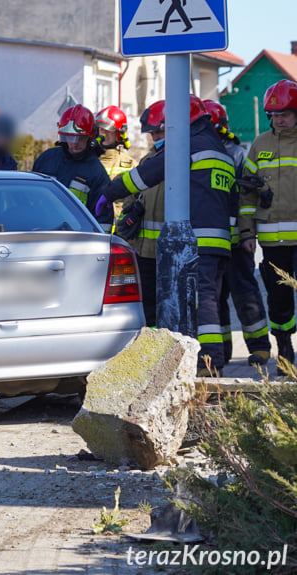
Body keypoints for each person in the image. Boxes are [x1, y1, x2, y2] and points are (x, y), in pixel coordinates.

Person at [102, 95, 234, 374]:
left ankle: (208, 365)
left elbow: (144, 176)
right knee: (211, 301)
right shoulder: (219, 149)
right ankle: (214, 362)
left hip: (197, 239)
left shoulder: (187, 146)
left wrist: (109, 192)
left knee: (203, 301)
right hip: (220, 239)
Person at [204, 100, 271, 366]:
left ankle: (260, 346)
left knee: (245, 293)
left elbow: (245, 200)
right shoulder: (195, 154)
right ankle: (222, 352)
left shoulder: (237, 154)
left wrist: (246, 235)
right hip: (211, 242)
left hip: (234, 242)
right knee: (216, 298)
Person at [240, 79, 297, 370]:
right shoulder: (260, 144)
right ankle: (284, 348)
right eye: (273, 114)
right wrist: (247, 232)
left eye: (284, 113)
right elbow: (246, 192)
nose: (278, 119)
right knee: (278, 300)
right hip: (272, 242)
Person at [114, 100, 166, 326]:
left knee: (170, 305)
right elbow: (130, 196)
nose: (155, 137)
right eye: (152, 133)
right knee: (148, 307)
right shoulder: (147, 160)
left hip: (170, 251)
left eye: (159, 131)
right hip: (144, 250)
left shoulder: (183, 160)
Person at [33, 104, 112, 226]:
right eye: (69, 138)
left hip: (74, 238)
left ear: (91, 137)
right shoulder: (47, 159)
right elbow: (29, 197)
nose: (74, 144)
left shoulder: (96, 172)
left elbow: (103, 218)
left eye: (80, 139)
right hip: (40, 230)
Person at [95, 105, 136, 179]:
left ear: (119, 133)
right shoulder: (89, 161)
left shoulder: (132, 165)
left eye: (109, 130)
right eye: (102, 130)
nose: (104, 134)